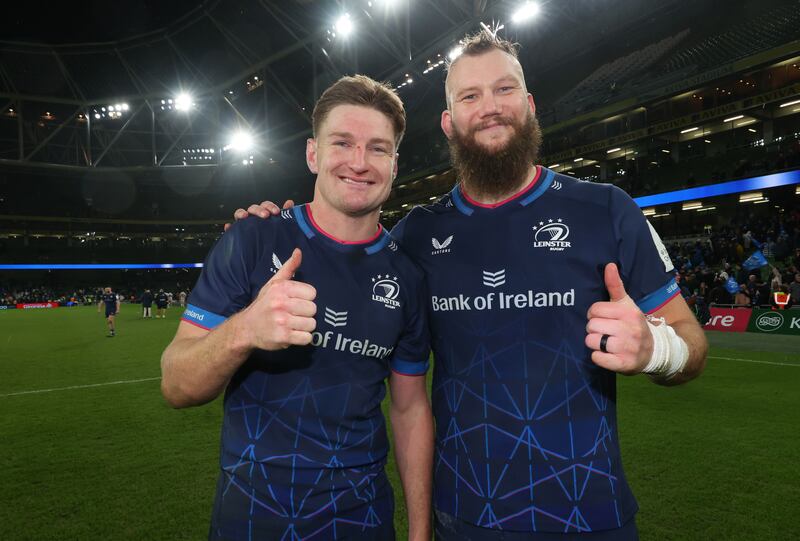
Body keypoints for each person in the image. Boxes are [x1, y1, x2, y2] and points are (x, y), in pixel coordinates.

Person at [235, 29, 708, 540]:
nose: (490, 107)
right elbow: (343, 256)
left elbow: (691, 341)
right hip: (463, 517)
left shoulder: (607, 209)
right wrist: (274, 224)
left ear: (529, 104)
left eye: (504, 90)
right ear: (449, 121)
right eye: (469, 96)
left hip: (589, 513)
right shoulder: (418, 233)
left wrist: (657, 349)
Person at [161, 75, 433, 541]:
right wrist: (246, 328)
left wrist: (420, 533)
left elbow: (409, 410)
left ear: (394, 162)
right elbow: (176, 384)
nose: (359, 163)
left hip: (360, 522)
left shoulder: (407, 276)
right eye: (342, 143)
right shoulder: (251, 238)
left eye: (378, 148)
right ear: (313, 154)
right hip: (249, 522)